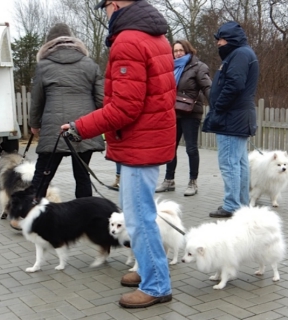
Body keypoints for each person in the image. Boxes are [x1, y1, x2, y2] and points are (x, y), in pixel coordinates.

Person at [61, 0, 176, 309]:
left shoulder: (129, 40)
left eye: (105, 7)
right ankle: (149, 271)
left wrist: (79, 127)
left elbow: (125, 107)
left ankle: (156, 285)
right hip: (145, 141)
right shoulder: (155, 35)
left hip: (141, 144)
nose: (105, 13)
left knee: (139, 220)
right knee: (136, 215)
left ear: (114, 4)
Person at [29, 23, 105, 199]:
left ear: (48, 44)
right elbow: (101, 100)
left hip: (53, 129)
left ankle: (28, 214)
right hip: (84, 127)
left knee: (42, 176)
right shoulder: (90, 64)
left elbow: (37, 100)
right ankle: (85, 219)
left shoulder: (44, 66)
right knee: (83, 177)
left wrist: (34, 124)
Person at [202, 21, 259, 218]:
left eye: (222, 39)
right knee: (240, 163)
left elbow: (234, 84)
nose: (219, 43)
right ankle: (241, 204)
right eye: (218, 39)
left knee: (229, 163)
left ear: (232, 39)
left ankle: (232, 205)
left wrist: (218, 108)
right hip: (238, 117)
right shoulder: (242, 54)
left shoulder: (240, 55)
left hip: (231, 118)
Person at [156, 40, 211, 196]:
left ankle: (193, 182)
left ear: (188, 50)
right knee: (170, 147)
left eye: (181, 50)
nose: (178, 53)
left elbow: (207, 87)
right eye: (175, 51)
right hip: (173, 112)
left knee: (191, 148)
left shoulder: (199, 67)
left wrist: (216, 103)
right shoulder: (170, 67)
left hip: (191, 112)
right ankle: (169, 180)